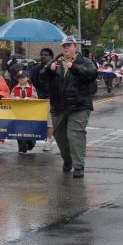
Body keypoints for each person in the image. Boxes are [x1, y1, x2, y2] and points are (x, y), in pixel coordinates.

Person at [41, 36, 98, 178]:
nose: (66, 48)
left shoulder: (84, 62)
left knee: (75, 135)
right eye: (64, 46)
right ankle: (68, 160)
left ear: (75, 47)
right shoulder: (56, 61)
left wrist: (74, 68)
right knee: (60, 136)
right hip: (59, 106)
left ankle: (78, 166)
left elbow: (91, 74)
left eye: (69, 45)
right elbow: (41, 78)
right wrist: (49, 69)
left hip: (79, 105)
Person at [29, 47, 55, 151]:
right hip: (36, 99)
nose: (43, 56)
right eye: (42, 54)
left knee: (48, 120)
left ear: (51, 57)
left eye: (46, 55)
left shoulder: (54, 68)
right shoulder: (36, 68)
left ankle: (48, 140)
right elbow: (29, 78)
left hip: (48, 98)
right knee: (35, 120)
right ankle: (32, 140)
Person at [12, 70, 37, 153]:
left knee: (29, 129)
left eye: (23, 77)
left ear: (27, 78)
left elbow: (36, 98)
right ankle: (21, 145)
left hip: (29, 113)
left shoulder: (31, 87)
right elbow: (10, 98)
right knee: (18, 129)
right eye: (19, 78)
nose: (21, 80)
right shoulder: (15, 88)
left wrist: (29, 99)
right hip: (18, 113)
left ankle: (31, 142)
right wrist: (14, 98)